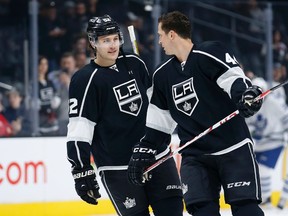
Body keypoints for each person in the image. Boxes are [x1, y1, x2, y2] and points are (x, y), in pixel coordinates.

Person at [127, 11, 265, 216]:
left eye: (160, 35)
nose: (159, 41)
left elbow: (234, 80)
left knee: (246, 209)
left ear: (172, 34)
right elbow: (159, 122)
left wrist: (246, 95)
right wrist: (145, 149)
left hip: (233, 146)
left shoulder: (210, 52)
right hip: (195, 155)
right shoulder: (162, 75)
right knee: (202, 211)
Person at [66, 15, 183, 216]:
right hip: (118, 167)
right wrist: (81, 170)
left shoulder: (134, 63)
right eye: (105, 40)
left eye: (115, 38)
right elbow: (80, 129)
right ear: (93, 42)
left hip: (156, 157)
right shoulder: (84, 80)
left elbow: (156, 107)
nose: (112, 45)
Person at [246, 77, 288, 209]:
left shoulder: (274, 103)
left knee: (263, 170)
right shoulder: (250, 104)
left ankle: (268, 199)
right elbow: (248, 124)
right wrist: (252, 132)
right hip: (259, 143)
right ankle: (267, 199)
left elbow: (285, 117)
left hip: (274, 142)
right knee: (257, 170)